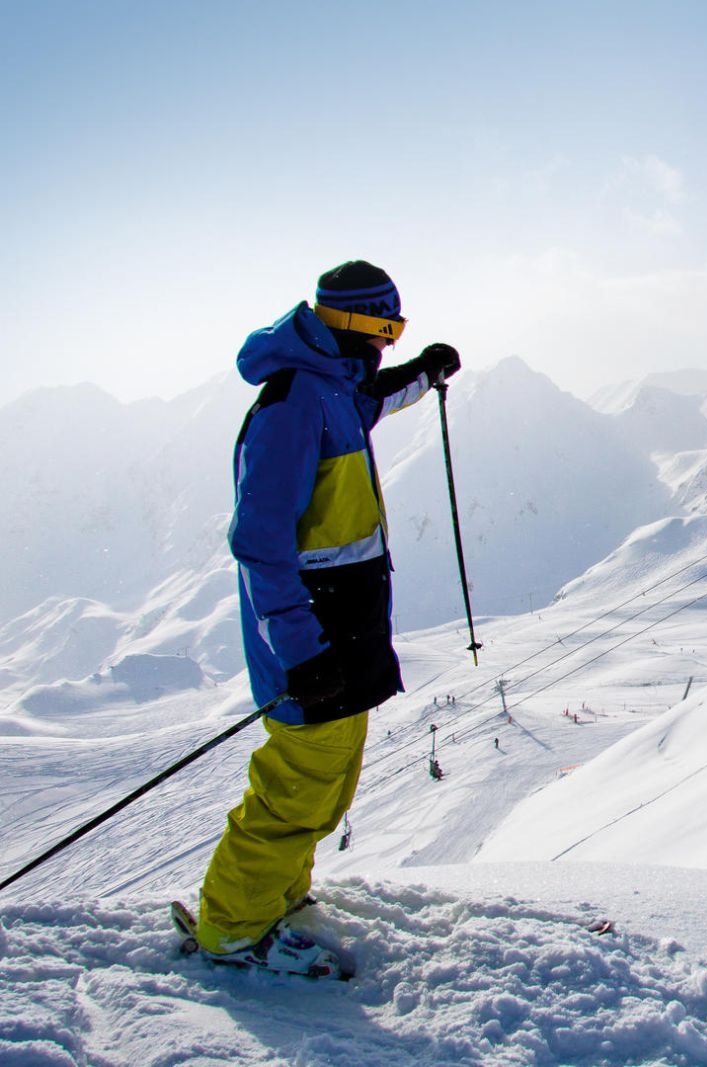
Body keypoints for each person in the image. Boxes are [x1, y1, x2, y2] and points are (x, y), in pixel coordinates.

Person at [191, 260, 460, 971]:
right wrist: (301, 652)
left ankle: (276, 894)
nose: (389, 344)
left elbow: (374, 397)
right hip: (314, 639)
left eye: (398, 331)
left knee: (329, 788)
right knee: (294, 791)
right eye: (385, 328)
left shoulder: (335, 388)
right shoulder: (293, 405)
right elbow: (258, 539)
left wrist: (427, 373)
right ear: (350, 321)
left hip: (349, 630)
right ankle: (232, 929)